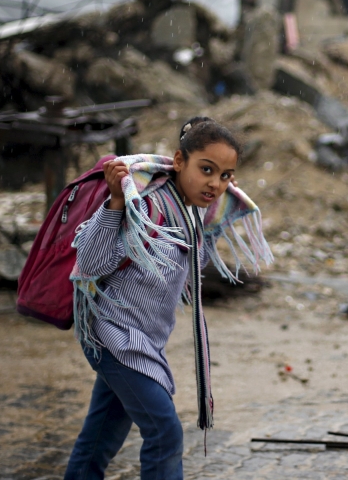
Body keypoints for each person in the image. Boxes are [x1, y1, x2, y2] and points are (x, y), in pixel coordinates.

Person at [64, 117, 272, 480]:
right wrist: (115, 202)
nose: (215, 183)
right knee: (164, 433)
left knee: (100, 438)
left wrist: (211, 214)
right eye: (206, 169)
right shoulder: (143, 205)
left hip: (143, 341)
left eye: (225, 175)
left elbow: (191, 269)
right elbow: (91, 264)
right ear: (179, 161)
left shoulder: (189, 213)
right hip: (115, 338)